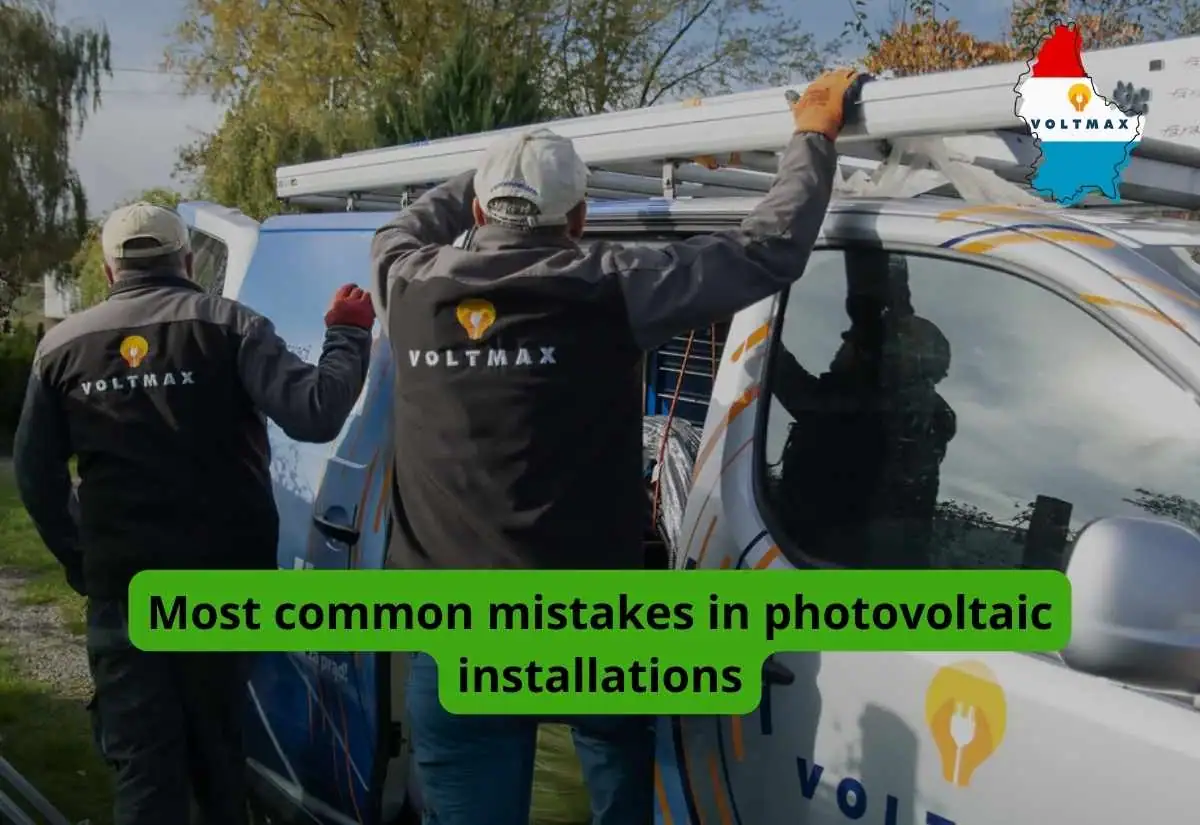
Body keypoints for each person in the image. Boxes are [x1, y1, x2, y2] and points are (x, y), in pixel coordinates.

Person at [369, 68, 861, 825]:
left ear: (474, 211)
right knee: (622, 796)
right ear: (580, 220)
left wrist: (489, 168)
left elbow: (401, 227)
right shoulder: (611, 285)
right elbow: (768, 251)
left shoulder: (405, 284)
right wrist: (812, 136)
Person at [12, 202, 375, 825]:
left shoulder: (62, 346)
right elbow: (315, 412)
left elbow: (36, 478)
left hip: (126, 589)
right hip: (225, 590)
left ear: (108, 270)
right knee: (219, 761)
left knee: (146, 771)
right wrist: (347, 334)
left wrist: (84, 562)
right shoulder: (230, 325)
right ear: (185, 261)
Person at [771, 251, 956, 568]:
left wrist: (753, 326)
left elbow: (793, 387)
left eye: (852, 342)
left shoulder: (867, 416)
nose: (841, 346)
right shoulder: (917, 420)